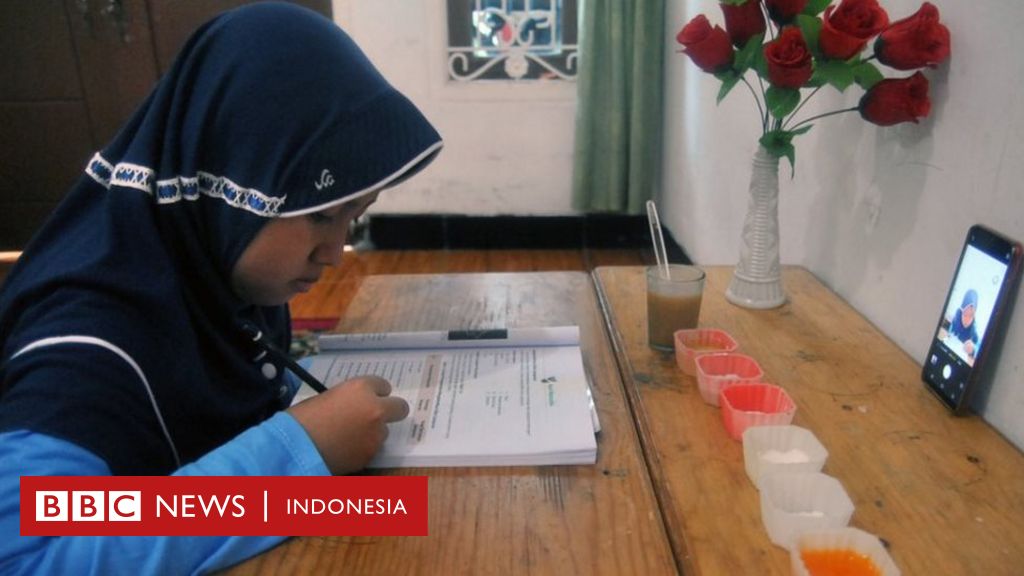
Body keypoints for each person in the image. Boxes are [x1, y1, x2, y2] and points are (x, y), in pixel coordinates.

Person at [0, 3, 441, 573]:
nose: (336, 252)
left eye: (353, 218)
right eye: (322, 215)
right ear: (230, 187)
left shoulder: (214, 272)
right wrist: (293, 458)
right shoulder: (85, 355)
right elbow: (26, 555)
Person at [939, 288, 980, 365]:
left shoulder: (974, 330)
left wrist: (973, 349)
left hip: (959, 362)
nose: (967, 319)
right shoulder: (957, 315)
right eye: (965, 314)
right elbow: (949, 332)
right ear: (961, 310)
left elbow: (979, 348)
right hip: (947, 352)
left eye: (970, 315)